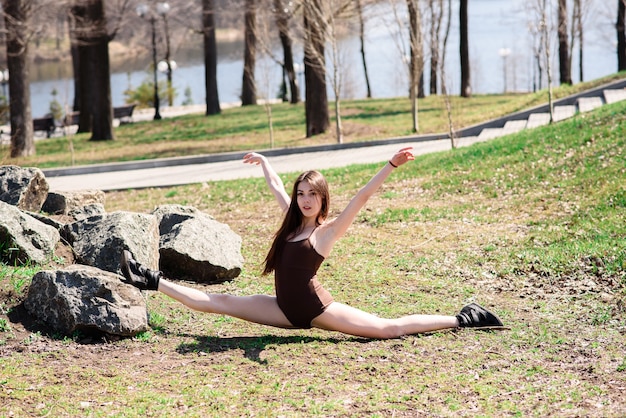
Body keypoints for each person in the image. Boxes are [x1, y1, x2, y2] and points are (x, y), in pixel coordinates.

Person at [120, 148, 504, 339]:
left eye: (312, 194)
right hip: (284, 311)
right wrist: (267, 162)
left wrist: (390, 166)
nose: (305, 199)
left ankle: (462, 318)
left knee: (387, 329)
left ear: (322, 199)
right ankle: (151, 280)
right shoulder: (290, 224)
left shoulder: (326, 232)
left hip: (319, 310)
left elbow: (362, 198)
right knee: (219, 304)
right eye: (301, 192)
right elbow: (274, 185)